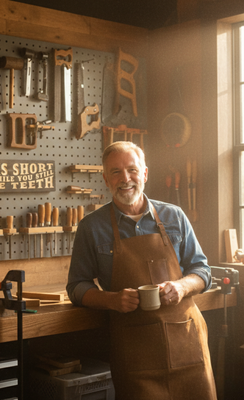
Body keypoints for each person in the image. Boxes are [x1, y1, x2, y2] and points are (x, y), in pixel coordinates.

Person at [66, 141, 217, 400]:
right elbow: (77, 287)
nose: (125, 179)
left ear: (145, 173)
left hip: (186, 344)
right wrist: (112, 300)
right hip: (135, 353)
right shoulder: (92, 227)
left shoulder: (175, 216)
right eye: (115, 172)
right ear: (105, 178)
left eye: (132, 170)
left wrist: (181, 287)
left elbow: (202, 270)